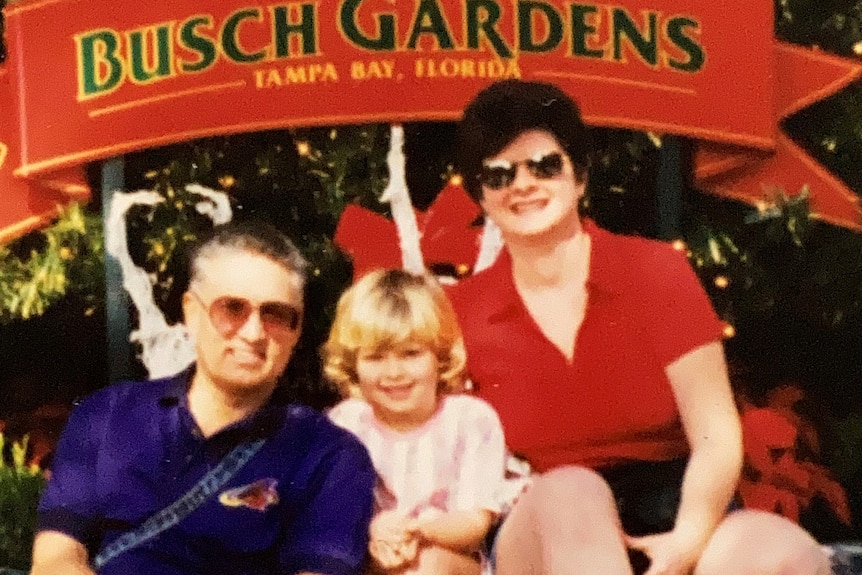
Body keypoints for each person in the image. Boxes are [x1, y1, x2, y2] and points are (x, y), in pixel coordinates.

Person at [446, 79, 832, 575]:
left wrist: (687, 544)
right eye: (499, 175)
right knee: (572, 492)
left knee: (784, 556)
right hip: (543, 521)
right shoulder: (460, 310)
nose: (522, 185)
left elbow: (716, 434)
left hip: (673, 506)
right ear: (481, 195)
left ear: (580, 177)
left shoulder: (654, 273)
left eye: (544, 166)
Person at [31, 221, 376, 575]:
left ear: (297, 330)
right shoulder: (106, 415)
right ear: (191, 312)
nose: (254, 333)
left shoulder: (329, 457)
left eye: (275, 314)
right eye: (232, 308)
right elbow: (55, 557)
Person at [324, 269, 514, 575]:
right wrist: (373, 531)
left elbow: (474, 523)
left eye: (410, 354)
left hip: (449, 558)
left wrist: (418, 532)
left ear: (438, 357)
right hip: (372, 556)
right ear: (353, 364)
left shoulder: (468, 420)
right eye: (375, 357)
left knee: (423, 566)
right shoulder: (348, 424)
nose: (394, 372)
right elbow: (333, 514)